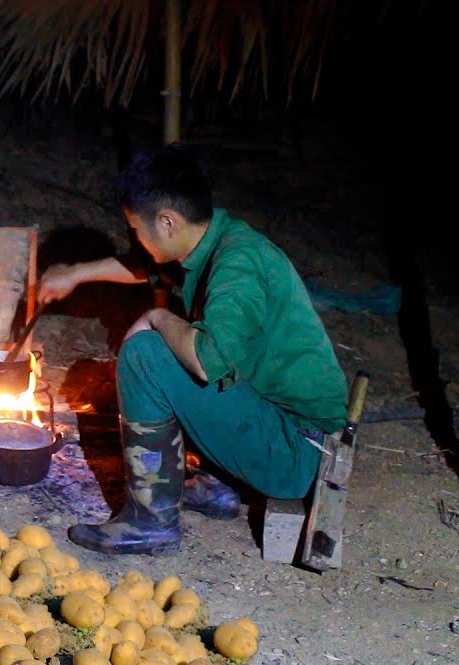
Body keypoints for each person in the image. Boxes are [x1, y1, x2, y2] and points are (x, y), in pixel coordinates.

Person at [38, 143, 348, 555]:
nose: (136, 238)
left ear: (167, 221)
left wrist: (157, 318)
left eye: (136, 229)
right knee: (172, 348)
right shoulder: (212, 239)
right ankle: (219, 485)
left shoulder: (237, 267)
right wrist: (75, 274)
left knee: (147, 355)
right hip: (282, 427)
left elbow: (205, 361)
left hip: (296, 454)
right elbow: (148, 264)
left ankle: (150, 523)